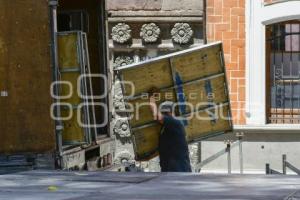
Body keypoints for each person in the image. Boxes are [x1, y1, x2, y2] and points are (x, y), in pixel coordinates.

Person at [149, 96, 192, 172]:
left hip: (179, 171)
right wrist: (145, 158)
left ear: (169, 113)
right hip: (170, 171)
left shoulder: (174, 123)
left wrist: (151, 99)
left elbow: (158, 117)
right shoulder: (166, 130)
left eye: (164, 113)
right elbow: (163, 149)